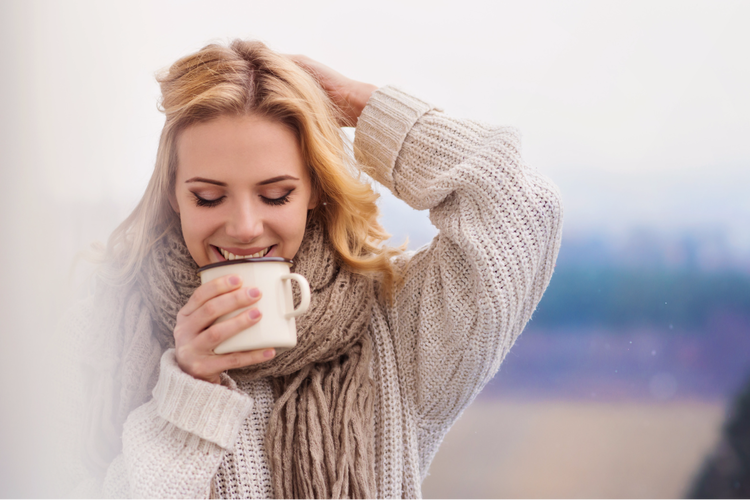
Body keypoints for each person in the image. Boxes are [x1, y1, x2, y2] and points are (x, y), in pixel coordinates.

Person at [58, 39, 563, 499]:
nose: (245, 227)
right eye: (208, 197)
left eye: (276, 194)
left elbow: (521, 207)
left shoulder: (395, 324)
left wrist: (362, 109)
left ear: (316, 188)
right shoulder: (108, 322)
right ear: (174, 194)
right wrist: (188, 395)